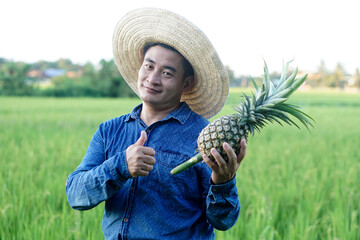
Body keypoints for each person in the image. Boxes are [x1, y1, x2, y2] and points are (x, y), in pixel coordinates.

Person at [66, 8, 247, 240]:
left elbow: (223, 221)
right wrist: (121, 166)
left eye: (167, 73)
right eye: (149, 66)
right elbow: (76, 196)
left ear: (186, 82)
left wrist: (223, 182)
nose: (152, 79)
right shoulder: (109, 131)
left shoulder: (204, 136)